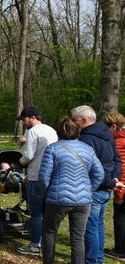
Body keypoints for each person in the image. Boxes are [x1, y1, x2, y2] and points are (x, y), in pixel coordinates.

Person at [39, 116, 105, 264]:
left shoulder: (53, 149)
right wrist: (89, 189)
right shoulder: (88, 149)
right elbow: (99, 173)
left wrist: (48, 191)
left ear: (58, 131)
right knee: (78, 238)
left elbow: (43, 176)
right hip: (83, 201)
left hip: (57, 199)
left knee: (49, 232)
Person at [71, 105, 122, 264]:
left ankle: (92, 260)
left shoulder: (86, 139)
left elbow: (91, 167)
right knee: (98, 224)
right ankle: (98, 258)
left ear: (84, 120)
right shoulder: (106, 135)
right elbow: (117, 159)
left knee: (90, 227)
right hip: (107, 188)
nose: (71, 123)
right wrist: (114, 179)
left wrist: (111, 181)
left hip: (95, 188)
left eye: (74, 120)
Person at [16, 106, 58, 256]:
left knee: (36, 213)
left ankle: (35, 244)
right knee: (48, 212)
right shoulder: (51, 130)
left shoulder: (33, 132)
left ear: (32, 117)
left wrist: (18, 161)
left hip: (35, 176)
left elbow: (28, 156)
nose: (24, 123)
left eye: (24, 119)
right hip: (51, 176)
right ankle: (47, 243)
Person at [103, 112, 125, 260]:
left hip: (122, 186)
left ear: (114, 126)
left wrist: (119, 193)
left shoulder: (118, 142)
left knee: (121, 217)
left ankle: (120, 250)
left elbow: (122, 168)